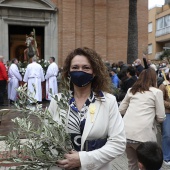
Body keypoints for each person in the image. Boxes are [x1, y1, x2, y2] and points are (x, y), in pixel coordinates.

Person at [48, 47, 126, 170]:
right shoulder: (57, 101)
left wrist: (83, 160)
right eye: (75, 67)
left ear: (94, 72)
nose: (80, 71)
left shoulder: (108, 101)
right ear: (68, 72)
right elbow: (46, 137)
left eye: (86, 67)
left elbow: (118, 143)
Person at [119, 68, 166, 170]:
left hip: (126, 133)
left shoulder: (131, 90)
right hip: (143, 135)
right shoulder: (156, 92)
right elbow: (161, 117)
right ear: (154, 78)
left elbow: (121, 110)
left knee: (132, 164)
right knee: (148, 166)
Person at [159, 71, 170, 166]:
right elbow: (160, 99)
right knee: (167, 135)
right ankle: (166, 157)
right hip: (167, 113)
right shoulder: (164, 85)